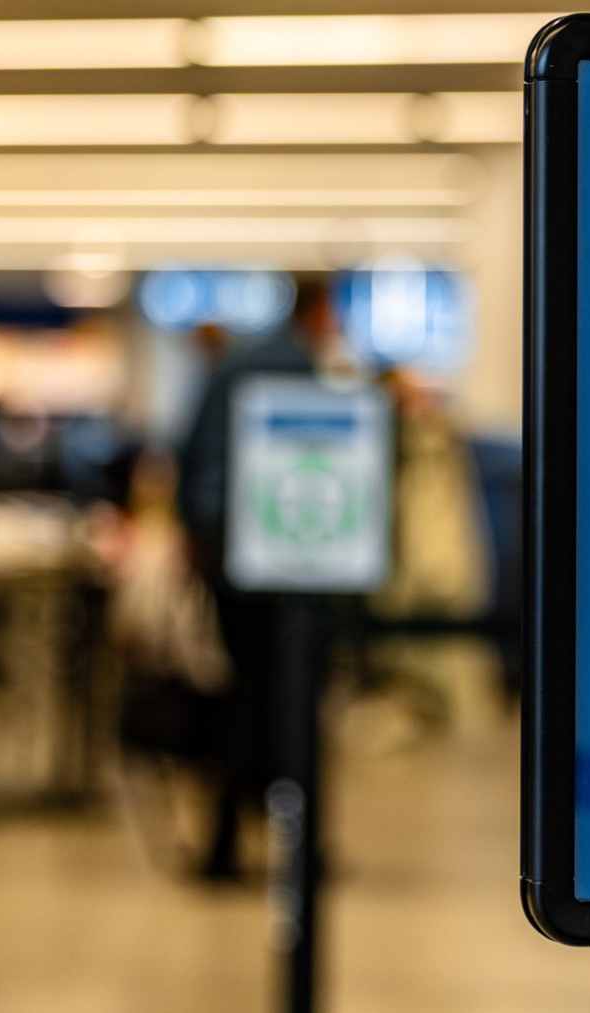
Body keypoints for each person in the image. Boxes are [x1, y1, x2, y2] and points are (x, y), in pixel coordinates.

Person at [175, 277, 335, 880]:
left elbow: (186, 451)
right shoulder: (301, 368)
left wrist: (195, 539)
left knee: (237, 695)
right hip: (285, 554)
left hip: (223, 551)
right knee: (289, 703)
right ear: (319, 311)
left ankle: (221, 844)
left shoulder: (232, 360)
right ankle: (297, 847)